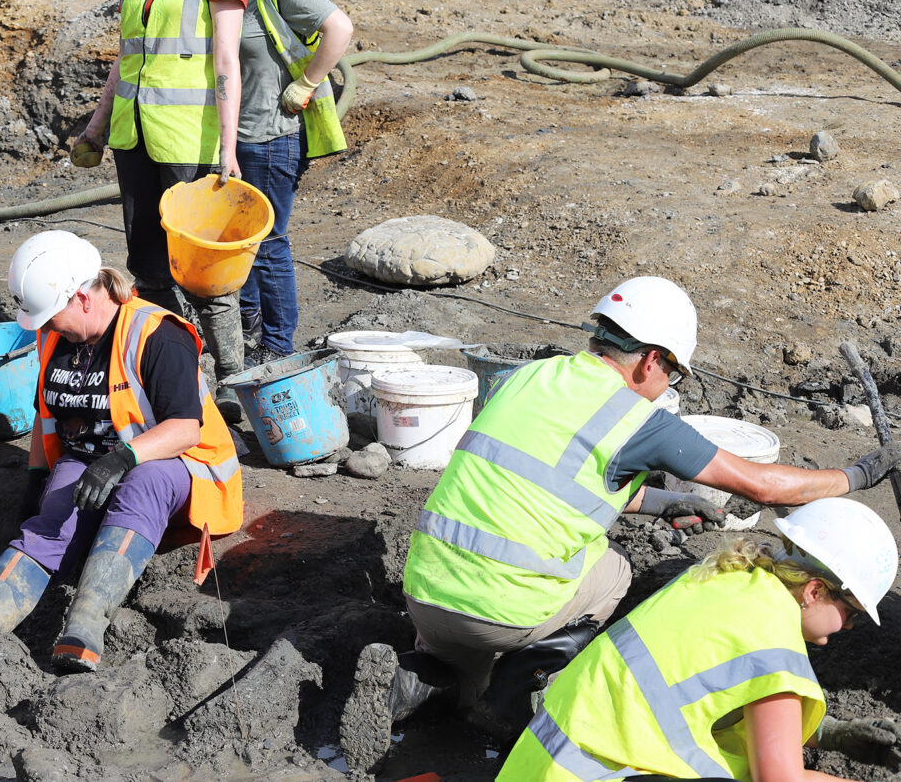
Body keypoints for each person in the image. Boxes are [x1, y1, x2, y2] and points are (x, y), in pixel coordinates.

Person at [340, 275, 901, 773]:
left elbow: (558, 482)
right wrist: (858, 473)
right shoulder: (638, 418)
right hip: (500, 612)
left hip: (427, 590)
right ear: (651, 359)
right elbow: (762, 486)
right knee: (611, 571)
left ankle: (424, 678)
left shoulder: (529, 376)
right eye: (674, 374)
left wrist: (659, 503)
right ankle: (521, 686)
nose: (669, 387)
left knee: (467, 653)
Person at [0, 230, 243, 674]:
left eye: (50, 315)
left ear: (82, 298)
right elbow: (47, 419)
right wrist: (37, 482)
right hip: (91, 460)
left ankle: (85, 628)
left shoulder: (157, 334)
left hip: (181, 468)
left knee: (143, 482)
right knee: (48, 521)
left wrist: (122, 458)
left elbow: (184, 429)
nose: (45, 326)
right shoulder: (54, 339)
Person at [498, 497, 901, 781]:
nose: (848, 627)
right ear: (814, 591)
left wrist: (829, 734)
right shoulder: (772, 641)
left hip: (542, 764)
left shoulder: (725, 577)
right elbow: (780, 778)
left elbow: (698, 700)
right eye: (851, 613)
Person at [69, 0, 251, 419]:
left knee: (204, 273)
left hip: (188, 146)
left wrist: (229, 150)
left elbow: (226, 61)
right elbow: (127, 55)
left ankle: (235, 384)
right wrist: (97, 129)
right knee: (146, 265)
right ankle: (170, 375)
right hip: (135, 139)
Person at [191, 0, 353, 366]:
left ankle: (278, 346)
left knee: (267, 244)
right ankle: (252, 327)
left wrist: (307, 81)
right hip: (249, 136)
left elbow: (340, 28)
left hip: (274, 137)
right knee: (249, 242)